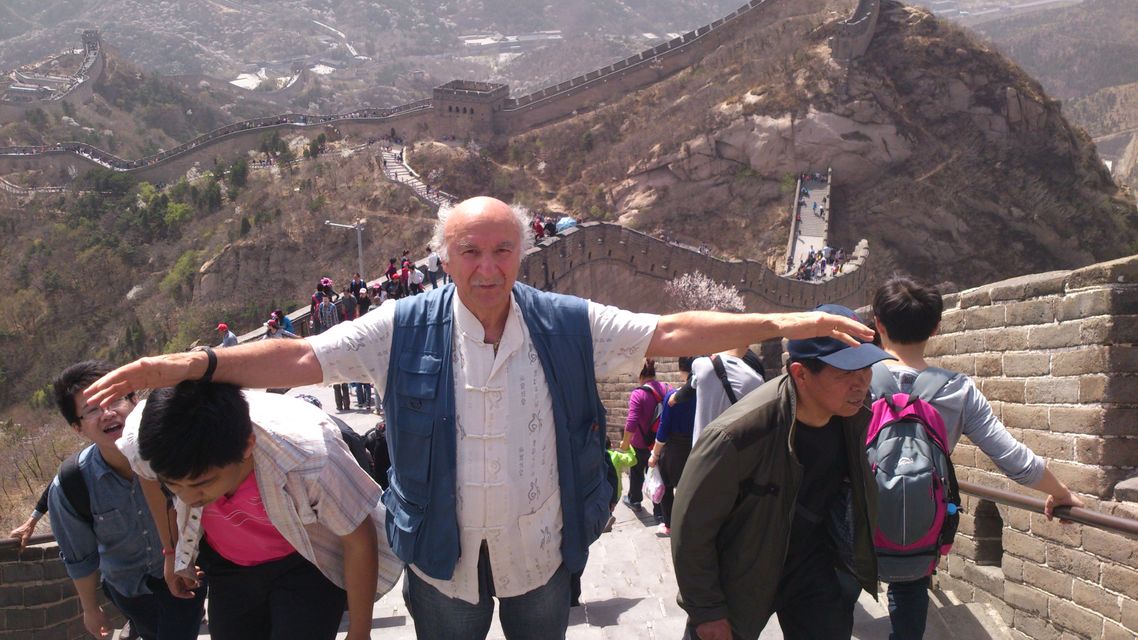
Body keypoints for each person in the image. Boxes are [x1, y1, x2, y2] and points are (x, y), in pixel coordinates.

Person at [84, 196, 873, 640]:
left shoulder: (563, 322)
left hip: (539, 553)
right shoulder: (402, 327)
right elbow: (302, 359)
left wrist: (778, 323)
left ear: (523, 253)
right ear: (444, 257)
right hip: (439, 560)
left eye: (502, 250)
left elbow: (665, 332)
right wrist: (191, 366)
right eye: (470, 252)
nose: (487, 268)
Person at [871, 277, 1084, 640]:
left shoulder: (854, 377)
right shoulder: (957, 389)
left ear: (877, 323)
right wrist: (1061, 493)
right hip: (921, 519)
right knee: (909, 590)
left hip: (855, 517)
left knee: (836, 594)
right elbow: (1013, 458)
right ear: (936, 327)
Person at [672, 304, 892, 640]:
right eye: (845, 373)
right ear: (800, 373)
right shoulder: (737, 435)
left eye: (865, 369)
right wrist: (706, 610)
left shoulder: (849, 418)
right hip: (743, 569)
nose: (860, 384)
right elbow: (691, 527)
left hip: (812, 567)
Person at [117, 383, 401, 640]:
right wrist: (171, 551)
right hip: (228, 566)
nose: (189, 498)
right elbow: (148, 476)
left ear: (246, 447)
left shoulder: (308, 459)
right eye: (174, 485)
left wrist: (360, 631)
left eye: (201, 484)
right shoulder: (145, 439)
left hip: (307, 559)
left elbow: (358, 538)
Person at [48, 360, 206, 640]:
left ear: (134, 400)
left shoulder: (169, 454)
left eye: (115, 400)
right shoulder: (72, 484)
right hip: (128, 589)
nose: (107, 413)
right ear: (78, 428)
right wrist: (90, 608)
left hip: (184, 572)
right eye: (92, 410)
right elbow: (80, 556)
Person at [673, 347, 764, 445]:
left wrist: (674, 398)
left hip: (705, 448)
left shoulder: (702, 364)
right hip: (739, 445)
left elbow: (686, 390)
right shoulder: (756, 376)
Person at [648, 356, 697, 535]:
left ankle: (669, 524)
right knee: (692, 486)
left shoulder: (673, 397)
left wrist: (654, 454)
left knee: (668, 485)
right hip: (697, 445)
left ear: (680, 369)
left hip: (674, 448)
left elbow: (663, 429)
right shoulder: (705, 395)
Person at [618, 359, 670, 524]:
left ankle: (635, 500)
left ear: (640, 375)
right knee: (657, 474)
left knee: (636, 472)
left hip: (641, 443)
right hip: (660, 442)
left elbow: (631, 422)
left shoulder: (638, 394)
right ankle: (659, 512)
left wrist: (625, 445)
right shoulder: (667, 388)